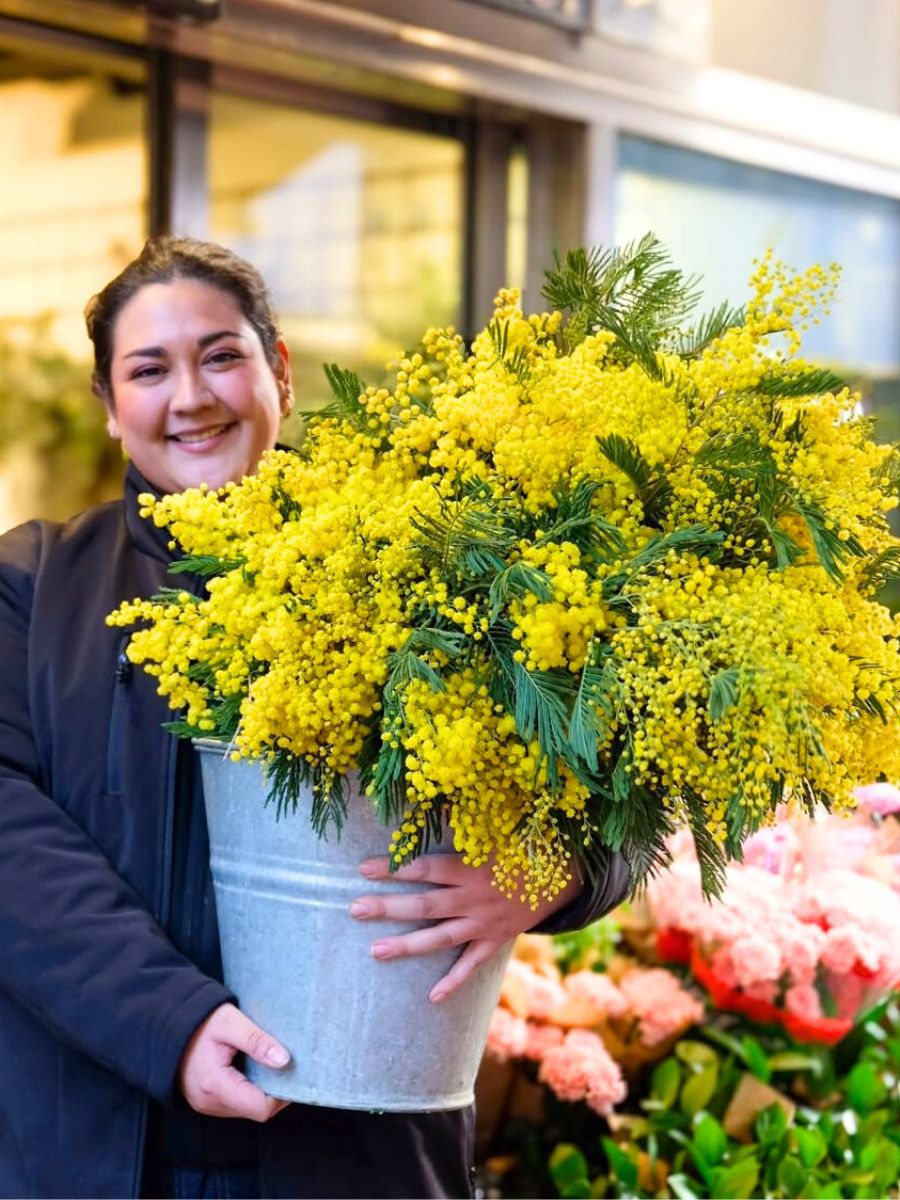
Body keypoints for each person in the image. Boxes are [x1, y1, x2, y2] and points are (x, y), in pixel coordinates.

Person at [0, 236, 630, 1200]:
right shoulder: (32, 587)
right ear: (109, 406)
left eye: (222, 355)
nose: (192, 396)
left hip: (361, 1151)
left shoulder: (430, 559)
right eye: (148, 369)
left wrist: (555, 871)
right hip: (88, 1145)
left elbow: (631, 769)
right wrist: (171, 1023)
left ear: (280, 373)